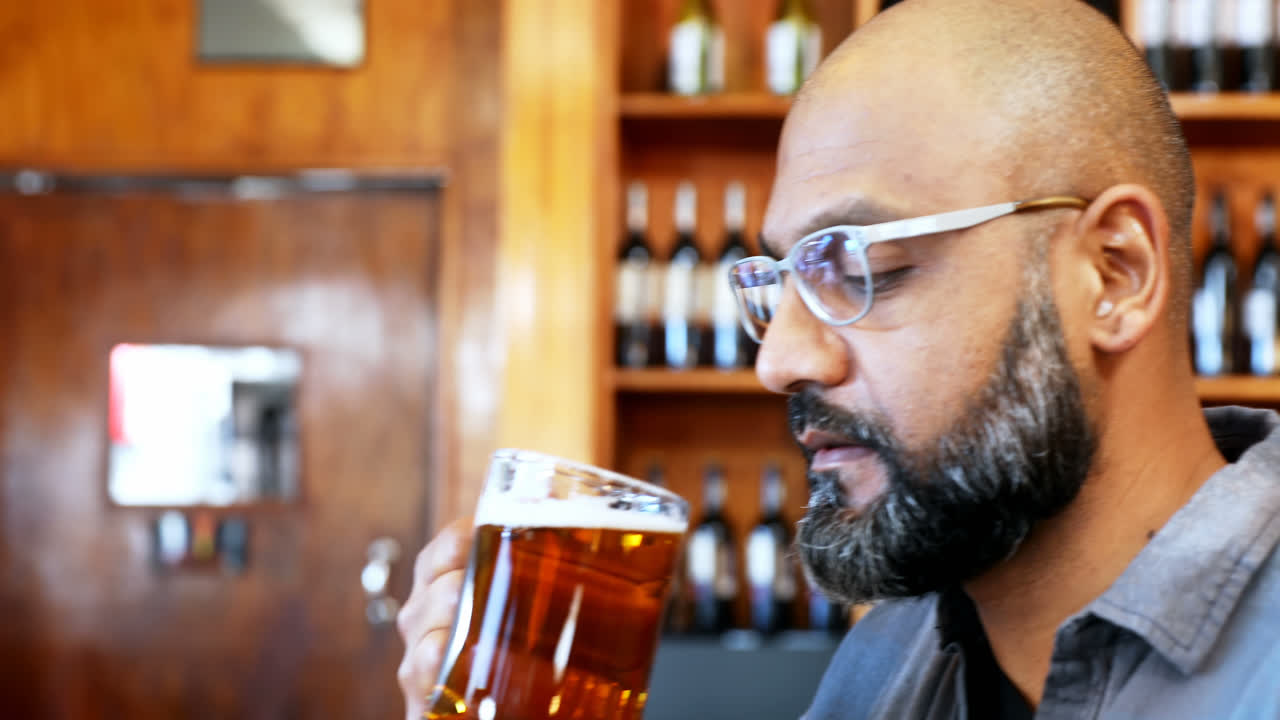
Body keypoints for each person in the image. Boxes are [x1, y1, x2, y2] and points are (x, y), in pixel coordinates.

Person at [398, 0, 1280, 717]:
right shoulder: (883, 661)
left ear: (1113, 274)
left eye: (863, 269)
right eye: (777, 285)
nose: (778, 362)